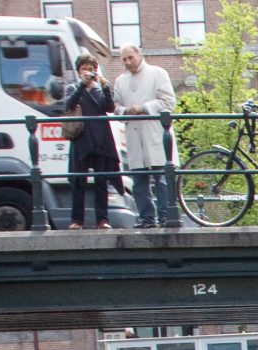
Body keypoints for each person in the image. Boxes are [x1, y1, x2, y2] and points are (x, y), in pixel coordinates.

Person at [112, 42, 178, 229]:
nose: (128, 62)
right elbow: (115, 106)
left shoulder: (158, 73)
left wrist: (144, 108)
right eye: (124, 59)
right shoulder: (120, 81)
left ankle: (166, 216)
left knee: (161, 176)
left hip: (154, 131)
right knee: (139, 179)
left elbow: (168, 101)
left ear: (139, 54)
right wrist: (126, 111)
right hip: (134, 133)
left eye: (130, 58)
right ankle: (146, 218)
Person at [59, 54, 123, 229]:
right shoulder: (72, 88)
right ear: (78, 72)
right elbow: (69, 105)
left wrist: (106, 88)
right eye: (84, 69)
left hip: (101, 139)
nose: (87, 72)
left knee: (101, 181)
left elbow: (109, 108)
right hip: (81, 139)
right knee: (79, 181)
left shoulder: (99, 89)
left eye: (90, 69)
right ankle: (76, 220)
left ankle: (102, 219)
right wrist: (82, 85)